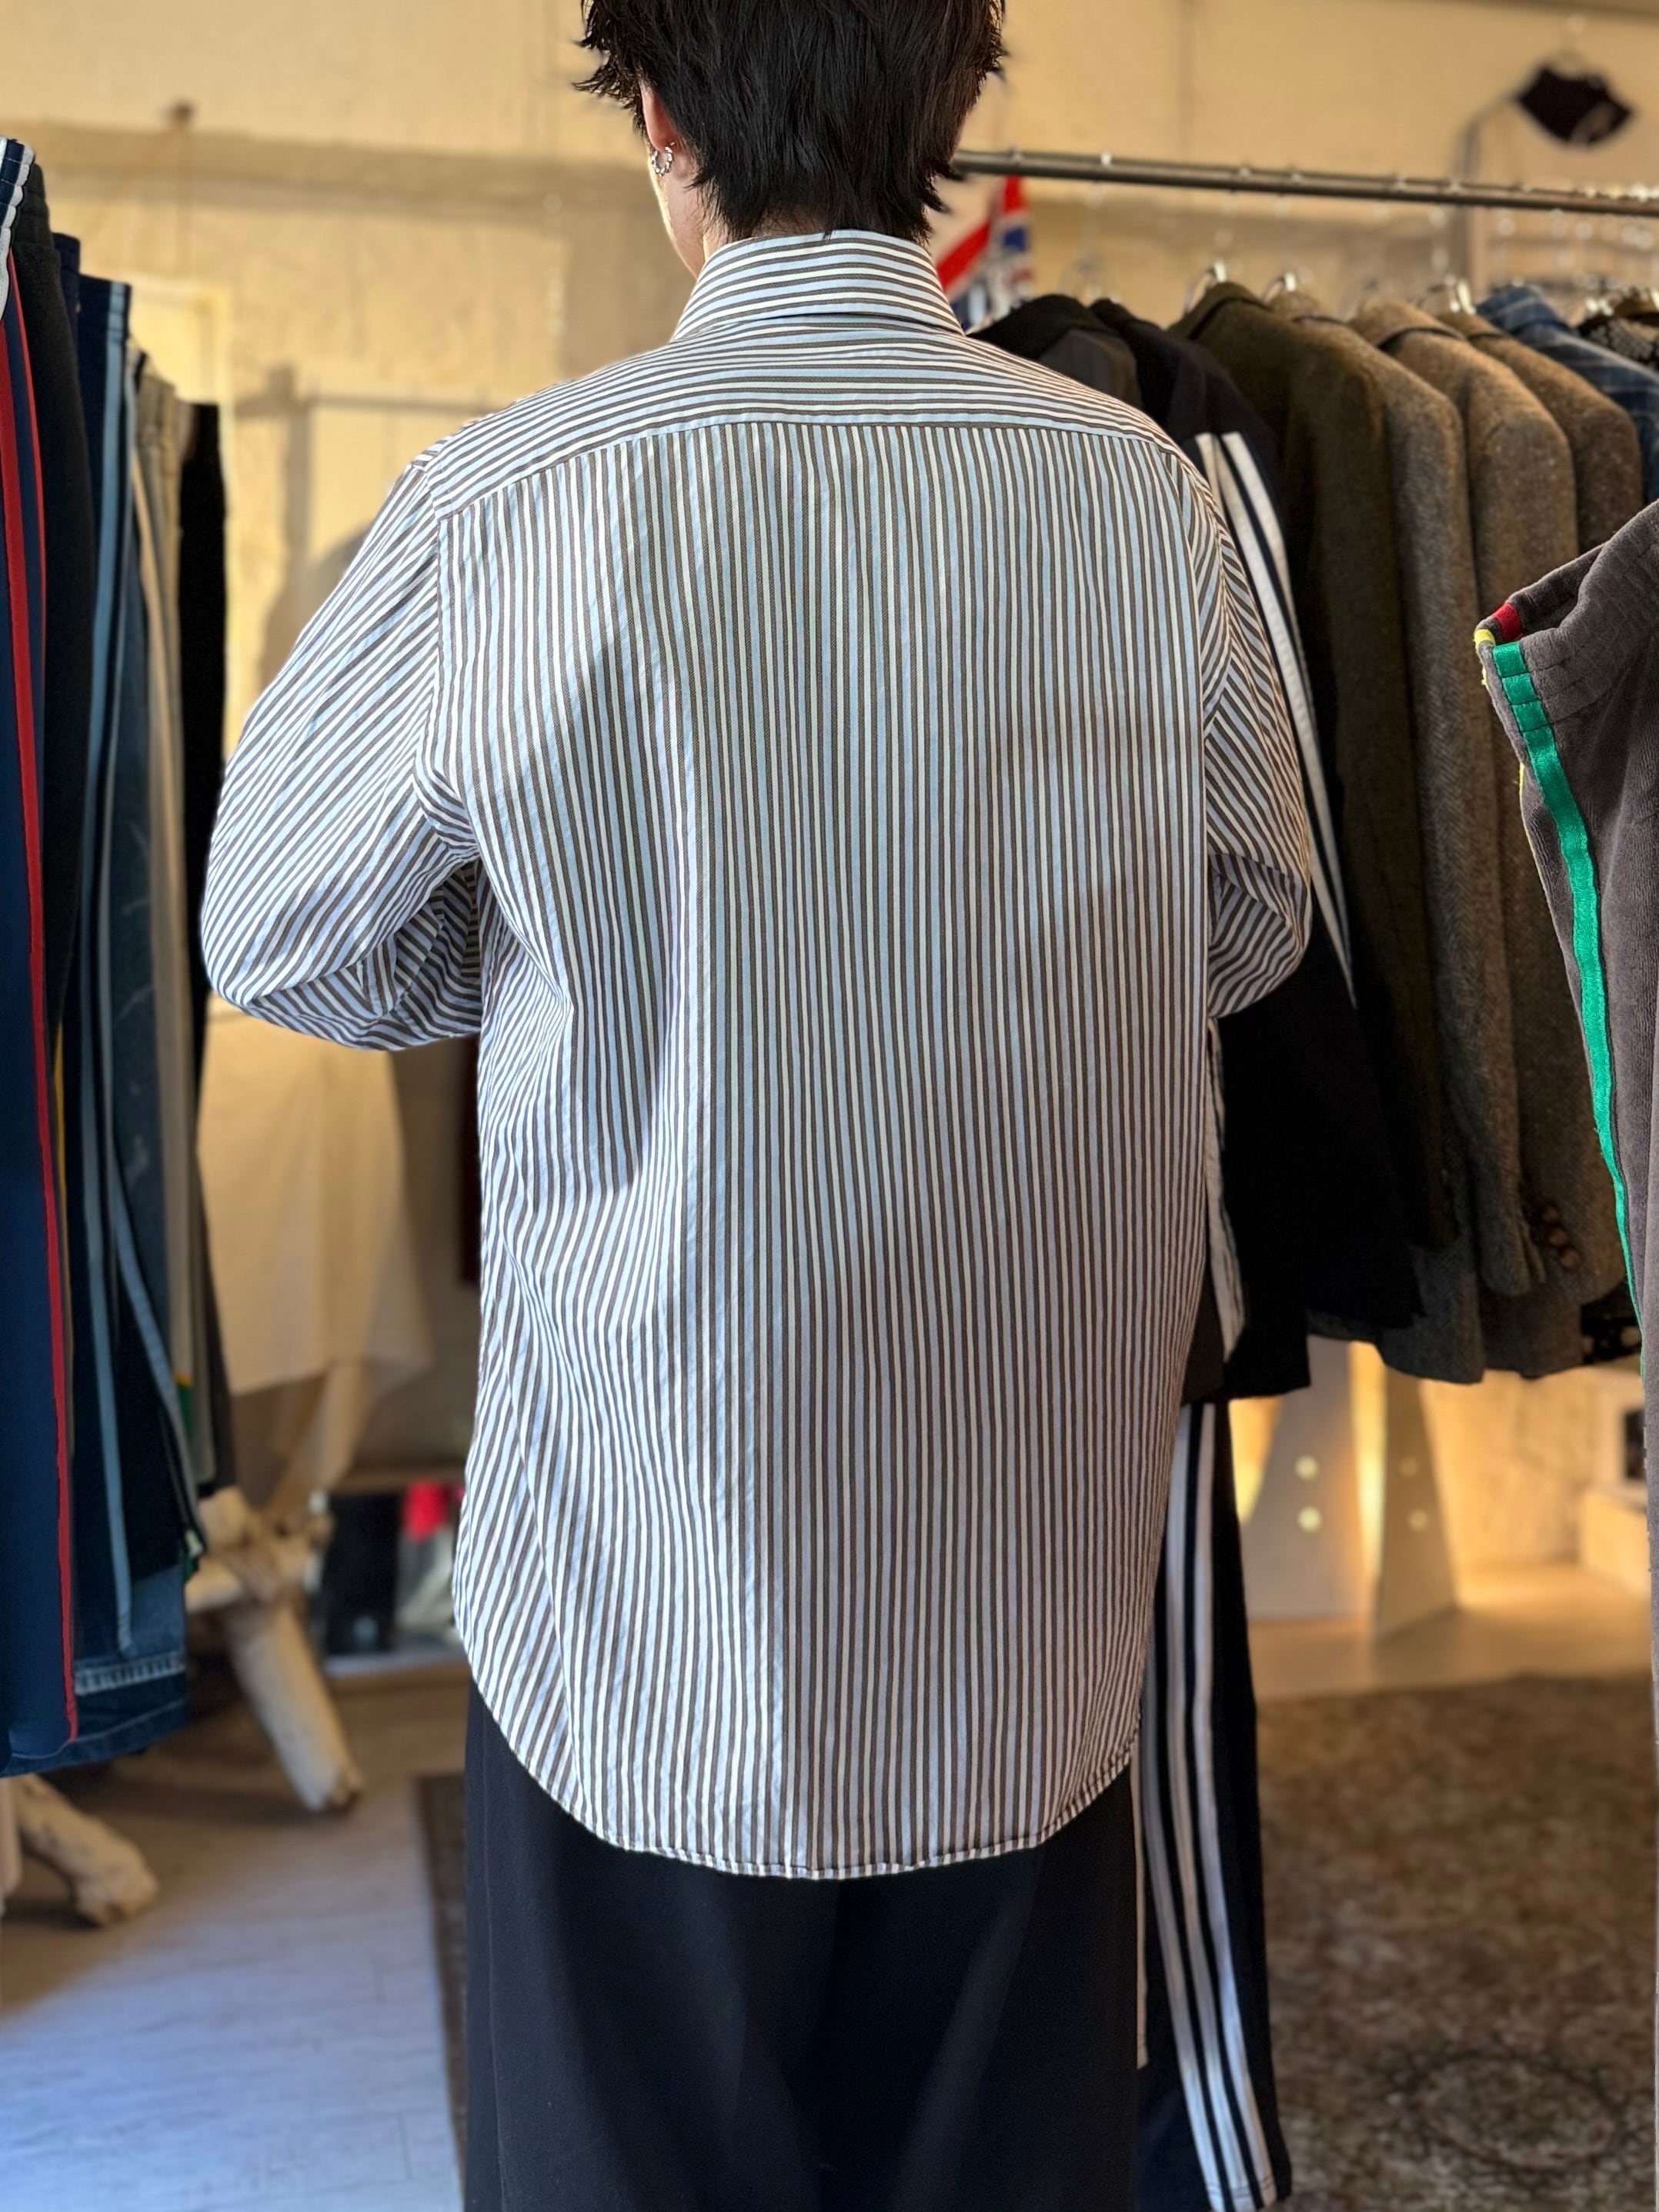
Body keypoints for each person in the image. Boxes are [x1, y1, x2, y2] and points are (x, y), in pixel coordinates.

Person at [202, 3, 1310, 2204]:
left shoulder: (510, 500)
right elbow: (1257, 914)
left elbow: (279, 931)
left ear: (659, 112)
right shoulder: (1135, 496)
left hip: (647, 1585)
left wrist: (558, 963)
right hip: (1022, 1578)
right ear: (953, 109)